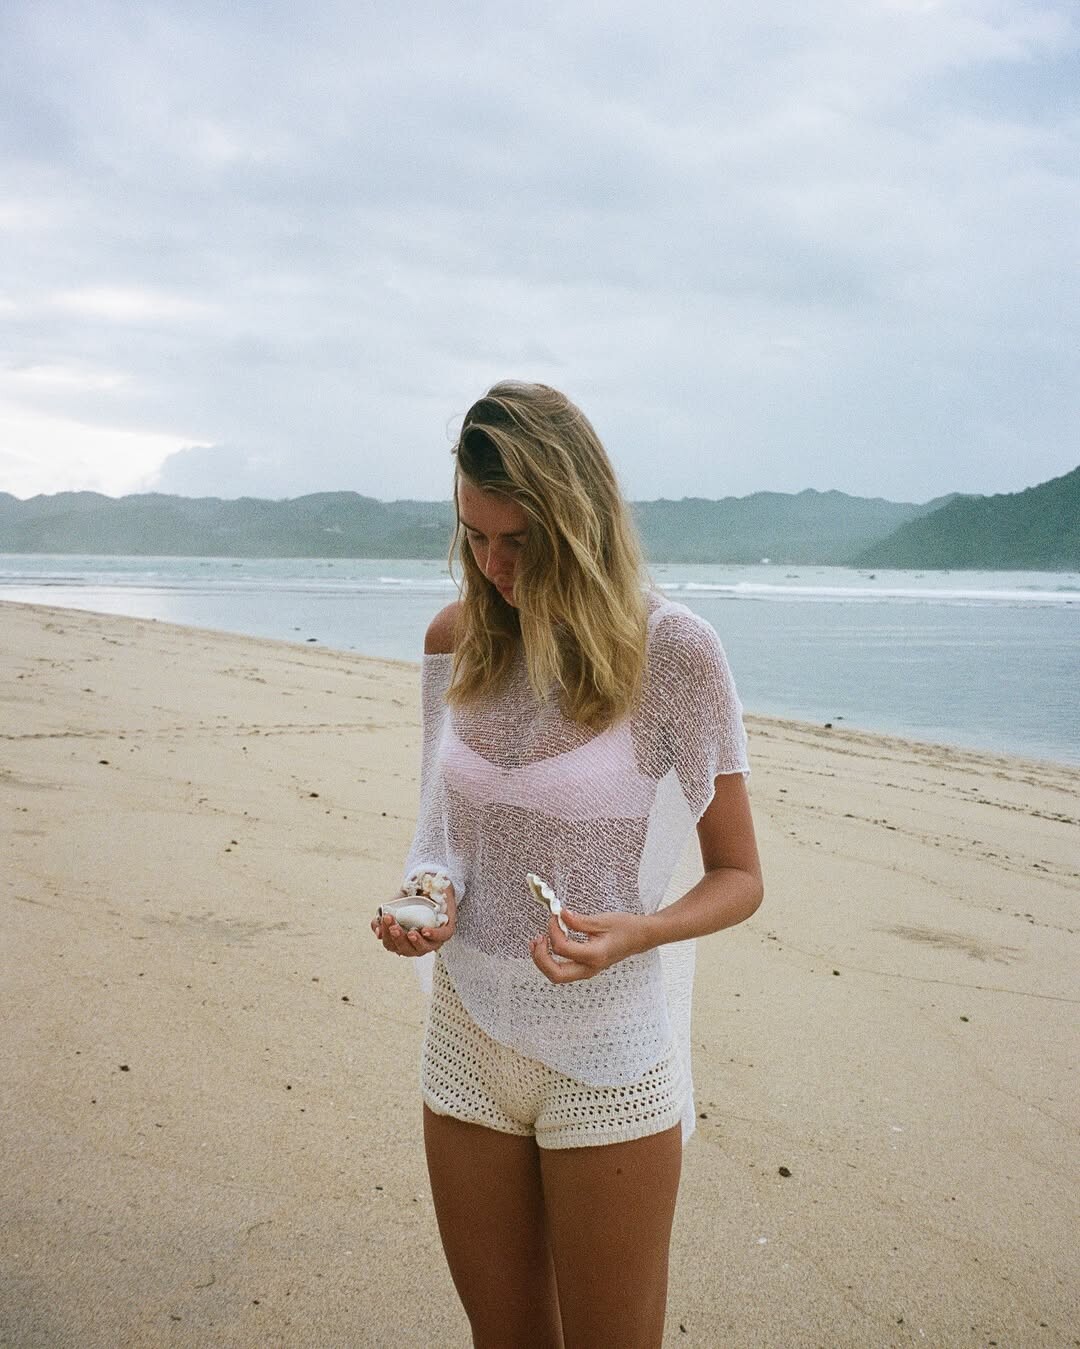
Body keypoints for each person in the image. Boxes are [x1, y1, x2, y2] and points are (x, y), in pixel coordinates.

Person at [371, 381, 763, 1349]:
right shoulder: (455, 641)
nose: (492, 566)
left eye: (519, 540)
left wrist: (641, 931)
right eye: (475, 536)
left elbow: (740, 875)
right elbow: (438, 836)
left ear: (577, 522)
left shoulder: (673, 653)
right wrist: (427, 896)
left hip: (609, 1058)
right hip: (465, 1038)